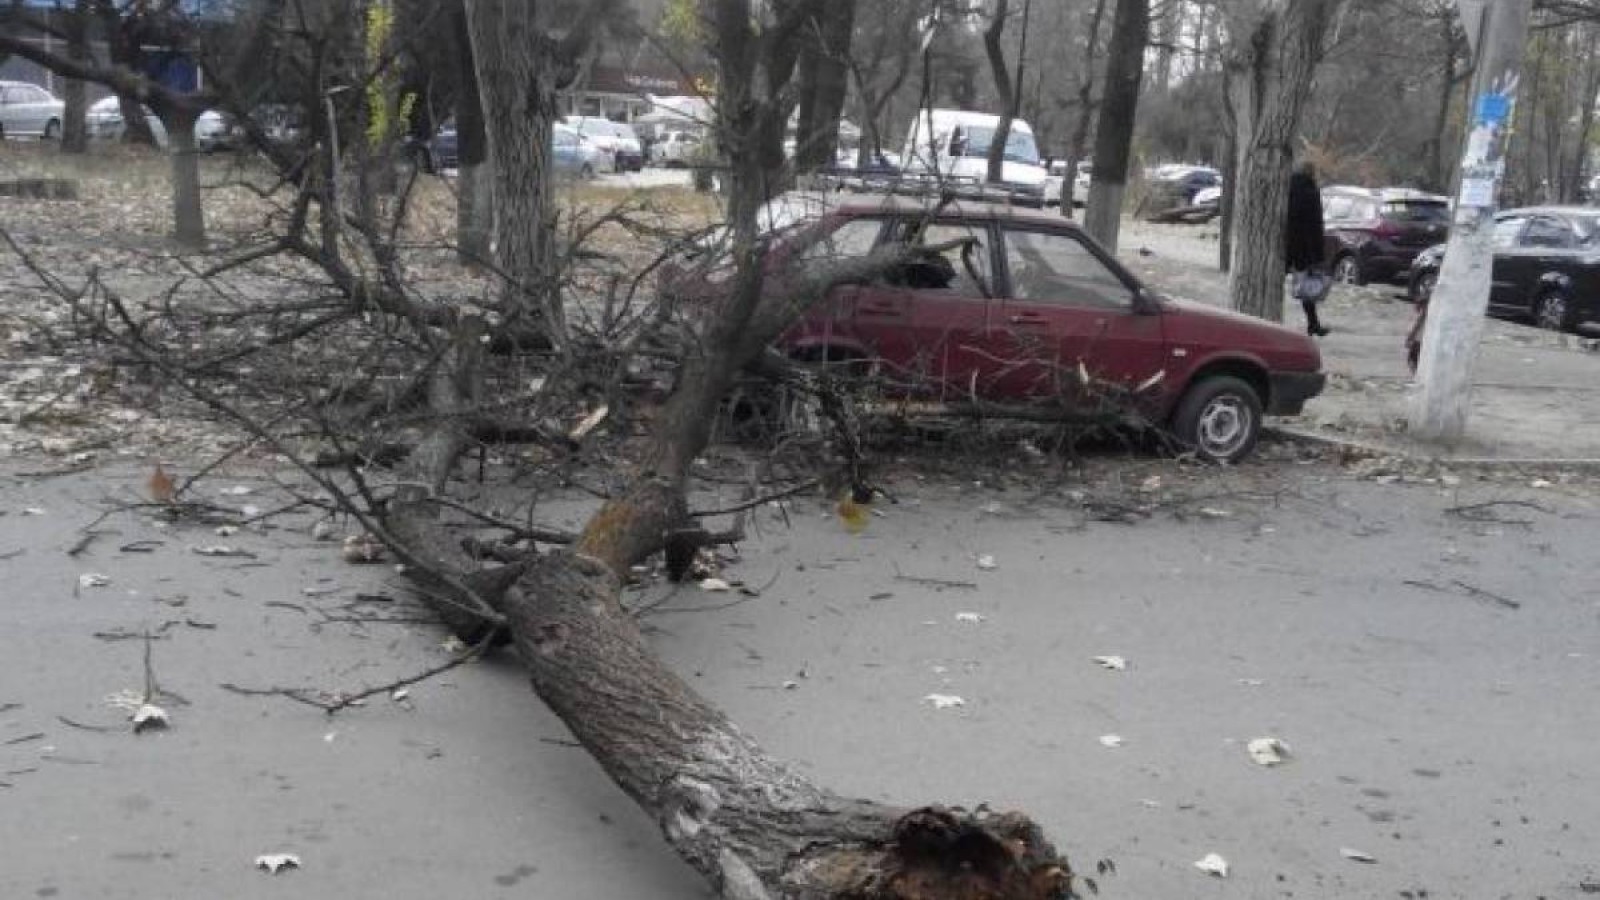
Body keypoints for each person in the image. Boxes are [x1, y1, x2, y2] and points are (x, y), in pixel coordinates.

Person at [1286, 160, 1330, 337]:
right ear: (1312, 174)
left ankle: (1313, 324)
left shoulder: (1287, 188)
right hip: (1304, 247)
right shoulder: (1311, 192)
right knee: (1306, 287)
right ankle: (1313, 324)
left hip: (1285, 242)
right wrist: (1317, 254)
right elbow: (1315, 225)